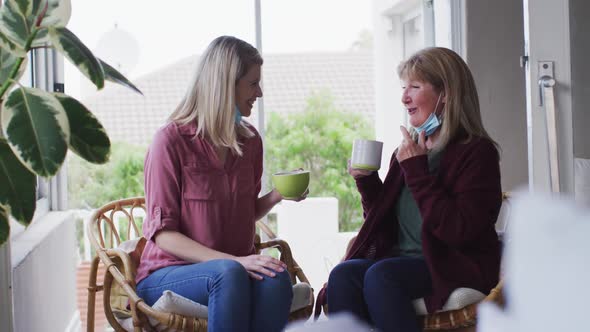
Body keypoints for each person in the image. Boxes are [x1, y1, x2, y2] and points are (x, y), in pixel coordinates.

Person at [318, 47, 502, 332]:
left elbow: (459, 229)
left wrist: (417, 170)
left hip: (453, 262)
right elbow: (386, 225)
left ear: (447, 95)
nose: (404, 97)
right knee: (344, 275)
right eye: (404, 87)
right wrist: (366, 180)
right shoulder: (406, 152)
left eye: (414, 87)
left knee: (383, 276)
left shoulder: (477, 153)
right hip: (404, 260)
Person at [135, 36, 305, 332]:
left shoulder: (250, 142)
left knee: (277, 278)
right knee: (228, 273)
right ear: (227, 85)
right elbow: (163, 235)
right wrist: (235, 261)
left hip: (231, 269)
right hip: (170, 272)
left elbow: (244, 213)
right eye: (253, 84)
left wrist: (277, 195)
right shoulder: (170, 141)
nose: (260, 93)